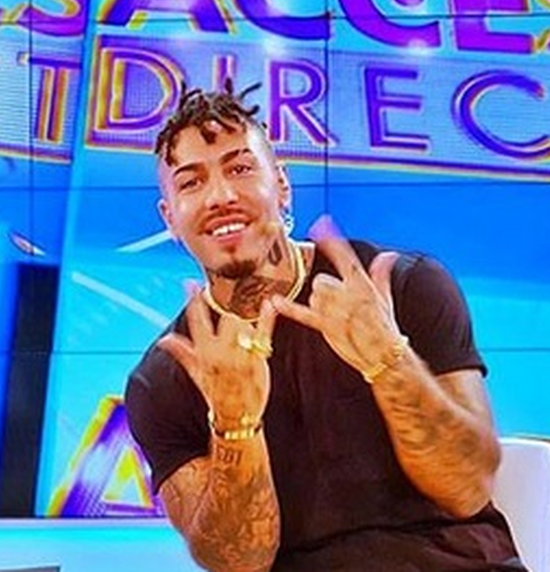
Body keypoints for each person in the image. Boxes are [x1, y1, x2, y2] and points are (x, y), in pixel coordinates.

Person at [123, 80, 525, 571]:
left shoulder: (401, 287)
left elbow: (468, 488)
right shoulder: (165, 378)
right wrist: (234, 426)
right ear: (170, 217)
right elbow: (238, 561)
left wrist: (389, 362)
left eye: (241, 168)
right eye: (191, 183)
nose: (221, 196)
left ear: (282, 184)